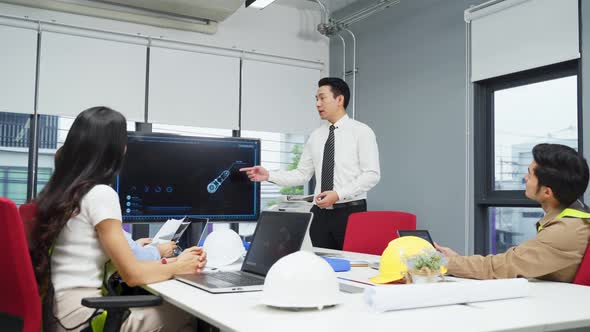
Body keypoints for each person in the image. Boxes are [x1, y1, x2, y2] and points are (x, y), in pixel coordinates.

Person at [29, 106, 206, 331]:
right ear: (116, 150)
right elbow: (132, 275)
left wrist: (174, 262)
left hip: (57, 316)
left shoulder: (62, 193)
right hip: (84, 320)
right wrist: (177, 266)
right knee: (189, 315)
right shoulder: (101, 194)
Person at [241, 77, 381, 250]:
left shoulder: (362, 132)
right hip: (319, 214)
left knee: (351, 266)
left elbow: (371, 175)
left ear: (339, 99)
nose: (318, 104)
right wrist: (269, 175)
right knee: (317, 265)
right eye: (316, 99)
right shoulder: (316, 135)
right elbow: (302, 174)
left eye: (322, 98)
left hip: (350, 213)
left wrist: (338, 194)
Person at [435, 143, 590, 282]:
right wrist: (457, 259)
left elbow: (502, 267)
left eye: (530, 174)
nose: (525, 177)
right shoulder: (574, 218)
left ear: (547, 192)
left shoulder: (564, 231)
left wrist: (440, 263)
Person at [54, 145, 177, 262]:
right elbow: (134, 258)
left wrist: (135, 245)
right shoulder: (96, 197)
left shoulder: (62, 202)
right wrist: (159, 251)